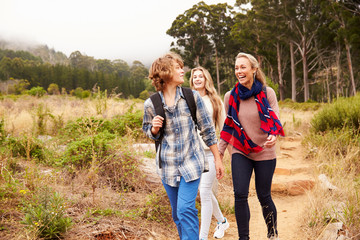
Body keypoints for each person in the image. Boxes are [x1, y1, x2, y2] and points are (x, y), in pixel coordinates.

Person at [142, 52, 224, 240]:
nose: (182, 70)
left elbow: (208, 131)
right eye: (177, 68)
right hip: (168, 167)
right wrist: (154, 129)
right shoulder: (151, 104)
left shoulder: (191, 97)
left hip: (192, 162)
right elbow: (148, 131)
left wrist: (217, 159)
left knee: (185, 208)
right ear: (165, 73)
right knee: (177, 215)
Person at [218, 52, 285, 240]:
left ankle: (272, 234)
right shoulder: (230, 96)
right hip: (241, 151)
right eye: (236, 68)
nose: (239, 71)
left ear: (254, 69)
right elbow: (229, 126)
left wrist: (273, 135)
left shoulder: (267, 93)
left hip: (265, 151)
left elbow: (275, 120)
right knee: (240, 194)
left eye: (243, 67)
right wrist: (219, 154)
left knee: (264, 195)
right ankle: (243, 238)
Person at [189, 67, 229, 240]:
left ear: (206, 79)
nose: (198, 79)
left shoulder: (215, 101)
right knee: (204, 191)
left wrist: (219, 154)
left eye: (201, 76)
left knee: (205, 192)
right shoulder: (187, 99)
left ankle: (202, 237)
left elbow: (225, 128)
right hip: (192, 155)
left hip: (210, 153)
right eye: (194, 77)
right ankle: (222, 221)